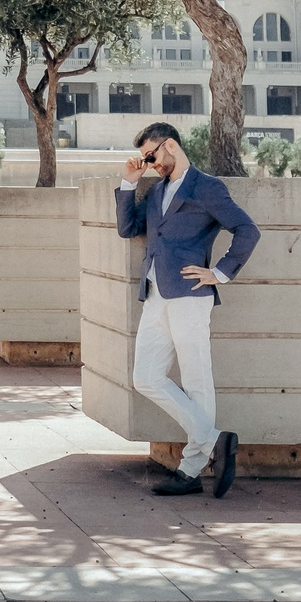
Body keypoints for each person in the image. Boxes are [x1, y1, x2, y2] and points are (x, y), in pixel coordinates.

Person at [117, 121, 260, 498]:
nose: (150, 162)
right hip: (155, 293)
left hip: (190, 294)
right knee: (145, 377)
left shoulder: (206, 187)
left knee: (197, 380)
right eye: (146, 157)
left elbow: (247, 230)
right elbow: (128, 228)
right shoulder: (158, 191)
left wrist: (219, 273)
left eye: (152, 155)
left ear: (172, 146)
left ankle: (191, 470)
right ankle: (216, 440)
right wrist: (130, 183)